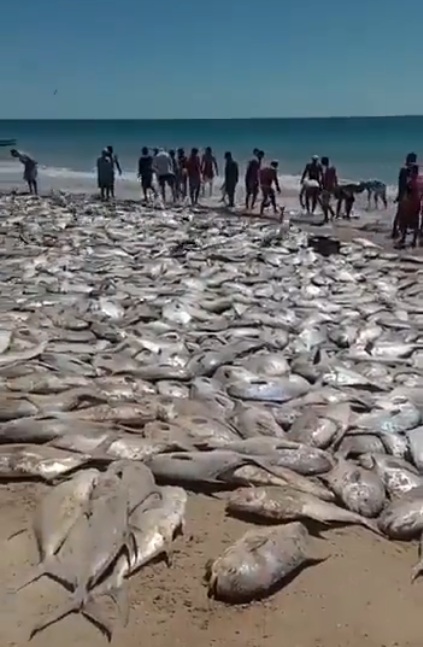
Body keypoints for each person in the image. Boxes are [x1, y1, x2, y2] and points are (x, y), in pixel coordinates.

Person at [392, 152, 418, 238]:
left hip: (406, 195)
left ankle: (397, 232)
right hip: (412, 196)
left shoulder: (405, 170)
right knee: (412, 216)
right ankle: (410, 237)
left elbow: (401, 184)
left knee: (400, 214)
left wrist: (399, 195)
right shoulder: (414, 169)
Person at [397, 163, 422, 248]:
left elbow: (407, 194)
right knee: (416, 223)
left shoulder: (410, 182)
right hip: (417, 204)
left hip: (409, 205)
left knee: (404, 222)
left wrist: (403, 204)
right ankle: (414, 241)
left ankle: (403, 238)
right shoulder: (420, 181)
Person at [320, 156, 338, 222]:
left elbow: (327, 179)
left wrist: (324, 187)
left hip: (327, 188)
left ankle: (326, 217)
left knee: (324, 204)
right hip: (330, 187)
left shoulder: (328, 169)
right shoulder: (332, 168)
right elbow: (335, 177)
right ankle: (332, 213)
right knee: (325, 203)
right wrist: (336, 185)